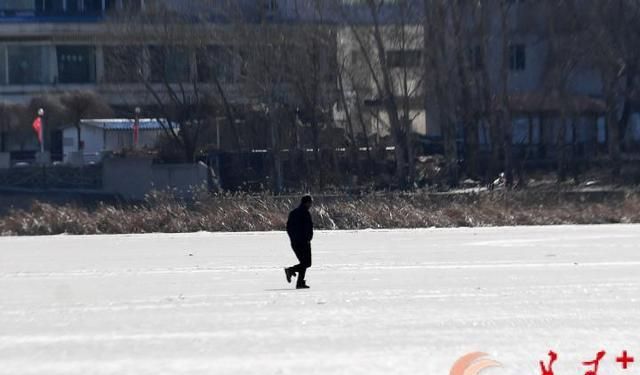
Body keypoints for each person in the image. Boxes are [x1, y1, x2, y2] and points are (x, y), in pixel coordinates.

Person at [284, 195, 313, 289]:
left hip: (295, 242)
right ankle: (290, 270)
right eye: (310, 202)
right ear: (307, 203)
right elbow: (307, 228)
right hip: (303, 242)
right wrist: (308, 238)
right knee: (307, 263)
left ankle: (300, 283)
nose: (311, 204)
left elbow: (288, 228)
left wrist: (292, 238)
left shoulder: (293, 213)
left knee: (303, 262)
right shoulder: (305, 213)